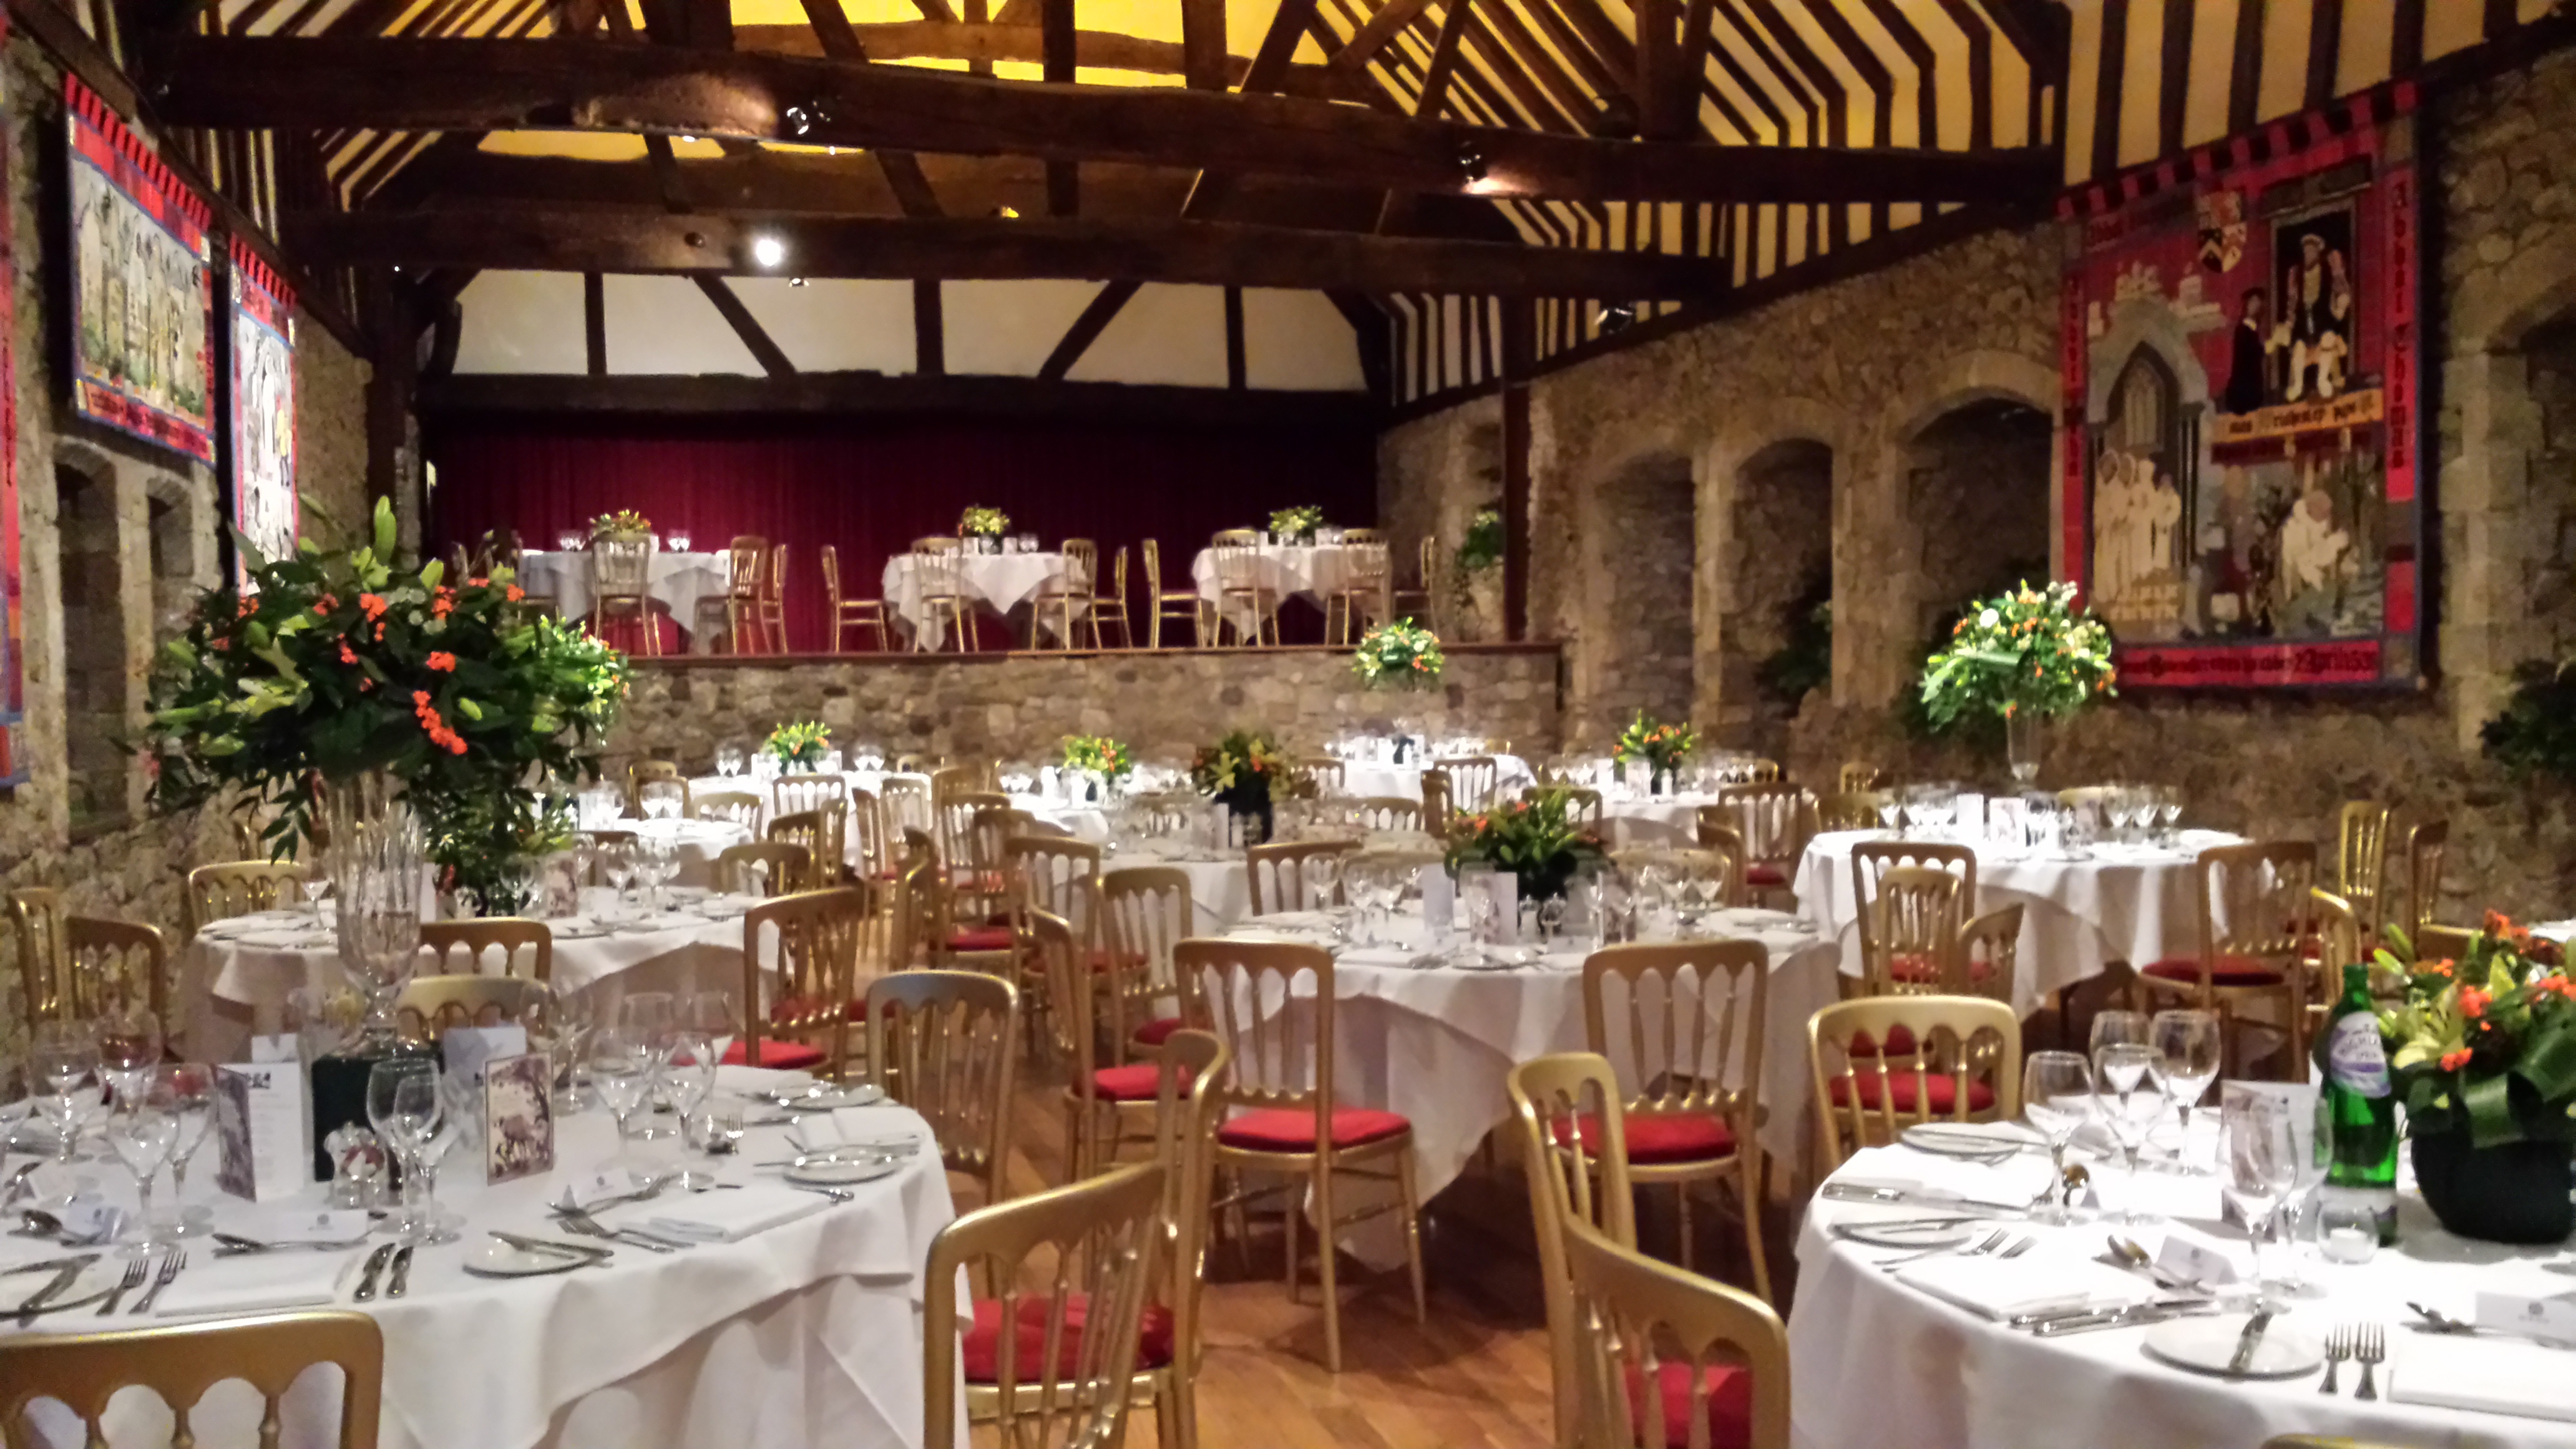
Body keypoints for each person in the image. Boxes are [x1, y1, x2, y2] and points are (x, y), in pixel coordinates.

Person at [2224, 288, 2273, 414]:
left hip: (2253, 385)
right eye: (2253, 302)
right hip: (2244, 388)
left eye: (2258, 302)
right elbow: (2253, 352)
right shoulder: (2243, 329)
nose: (2256, 306)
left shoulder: (2253, 328)